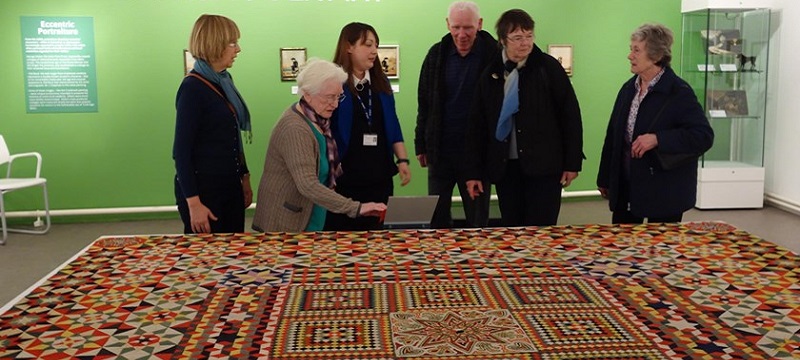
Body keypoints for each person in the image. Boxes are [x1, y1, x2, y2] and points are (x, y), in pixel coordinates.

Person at [465, 9, 584, 227]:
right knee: (513, 230)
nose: (525, 43)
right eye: (518, 38)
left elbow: (570, 116)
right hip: (505, 168)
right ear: (503, 40)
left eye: (529, 36)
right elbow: (477, 126)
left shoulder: (548, 68)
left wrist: (572, 162)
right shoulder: (491, 73)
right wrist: (473, 171)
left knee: (542, 230)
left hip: (545, 168)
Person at [597, 24, 713, 224]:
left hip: (665, 191)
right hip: (627, 187)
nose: (629, 55)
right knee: (622, 249)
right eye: (631, 48)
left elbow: (703, 136)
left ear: (657, 56)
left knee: (660, 251)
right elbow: (614, 136)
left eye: (636, 50)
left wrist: (658, 139)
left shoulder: (679, 92)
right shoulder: (628, 89)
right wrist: (605, 178)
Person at [252, 59, 386, 232]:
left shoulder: (318, 121)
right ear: (308, 94)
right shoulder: (295, 128)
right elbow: (308, 184)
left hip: (310, 214)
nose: (336, 104)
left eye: (339, 96)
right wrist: (356, 208)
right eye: (330, 97)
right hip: (287, 223)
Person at [415, 1, 497, 229]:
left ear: (479, 25)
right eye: (456, 27)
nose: (462, 34)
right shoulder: (436, 55)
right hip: (440, 152)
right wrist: (421, 143)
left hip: (477, 155)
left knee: (477, 220)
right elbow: (425, 103)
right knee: (437, 219)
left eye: (468, 27)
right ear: (448, 25)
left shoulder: (493, 57)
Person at [324, 22, 411, 231]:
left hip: (379, 174)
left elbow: (392, 124)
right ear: (349, 47)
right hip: (345, 176)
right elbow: (324, 129)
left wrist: (403, 159)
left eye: (376, 46)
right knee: (344, 237)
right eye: (368, 45)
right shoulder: (335, 83)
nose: (374, 51)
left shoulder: (381, 83)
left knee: (378, 234)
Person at [173, 14, 253, 234]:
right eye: (233, 43)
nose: (238, 50)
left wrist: (244, 176)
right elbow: (181, 152)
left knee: (234, 254)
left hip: (229, 185)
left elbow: (232, 137)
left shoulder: (223, 82)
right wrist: (194, 204)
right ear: (214, 44)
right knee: (206, 260)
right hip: (205, 192)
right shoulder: (193, 88)